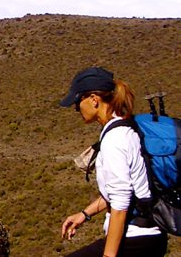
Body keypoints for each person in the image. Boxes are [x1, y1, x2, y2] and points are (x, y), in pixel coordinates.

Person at [59, 67, 167, 257]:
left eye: (77, 101)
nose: (76, 108)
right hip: (150, 238)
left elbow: (120, 204)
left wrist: (109, 255)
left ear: (94, 99)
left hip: (136, 239)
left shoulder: (114, 139)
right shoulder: (126, 127)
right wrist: (84, 214)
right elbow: (121, 191)